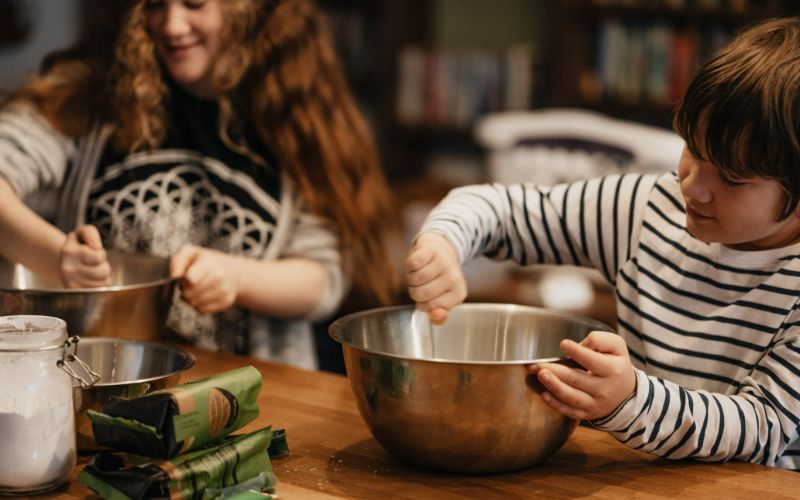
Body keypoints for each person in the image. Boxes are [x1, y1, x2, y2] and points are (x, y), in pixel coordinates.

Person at [406, 17, 800, 469]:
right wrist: (444, 242)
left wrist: (631, 399)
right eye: (693, 148)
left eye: (731, 177)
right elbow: (499, 209)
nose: (693, 186)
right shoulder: (646, 209)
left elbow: (763, 429)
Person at [0, 0, 398, 369]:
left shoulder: (297, 115)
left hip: (247, 390)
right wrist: (56, 257)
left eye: (194, 3)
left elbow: (323, 281)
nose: (172, 25)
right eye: (155, 4)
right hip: (95, 375)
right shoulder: (87, 94)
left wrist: (237, 278)